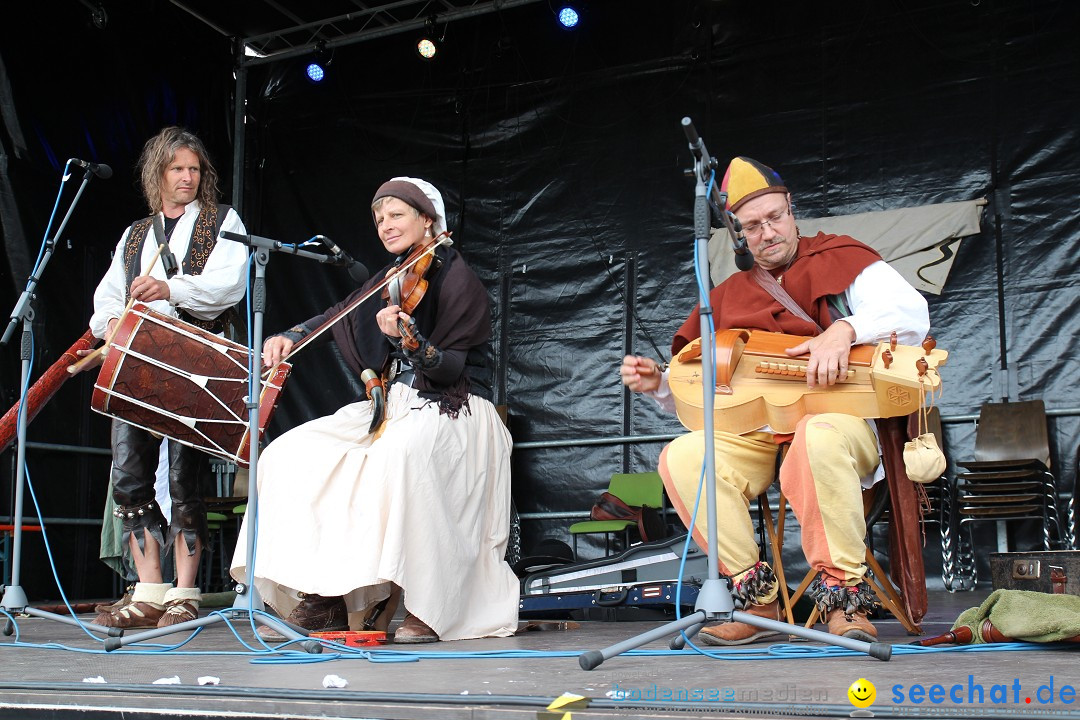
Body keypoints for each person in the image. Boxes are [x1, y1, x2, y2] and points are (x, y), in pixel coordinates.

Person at [620, 157, 930, 645]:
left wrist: (846, 330)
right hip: (760, 435)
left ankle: (844, 598)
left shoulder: (841, 259)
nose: (768, 232)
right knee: (682, 455)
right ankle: (756, 597)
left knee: (818, 434)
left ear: (792, 210)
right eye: (753, 226)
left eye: (775, 217)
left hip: (842, 423)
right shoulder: (725, 296)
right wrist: (659, 382)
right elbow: (712, 388)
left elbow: (913, 312)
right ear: (739, 236)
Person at [230, 176, 518, 644]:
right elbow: (339, 313)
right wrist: (292, 334)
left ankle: (429, 606)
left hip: (455, 408)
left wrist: (407, 339)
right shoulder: (390, 279)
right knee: (289, 454)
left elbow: (448, 369)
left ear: (428, 219)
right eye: (379, 218)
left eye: (396, 214)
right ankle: (323, 596)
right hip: (395, 405)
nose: (385, 225)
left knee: (398, 458)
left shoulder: (457, 276)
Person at [79, 126, 249, 628]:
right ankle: (150, 589)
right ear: (158, 174)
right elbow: (108, 293)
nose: (187, 177)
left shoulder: (222, 221)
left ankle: (185, 592)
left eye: (194, 169)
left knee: (183, 477)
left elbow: (228, 284)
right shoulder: (134, 234)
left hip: (189, 362)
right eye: (177, 168)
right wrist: (112, 321)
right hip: (134, 362)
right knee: (130, 478)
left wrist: (168, 287)